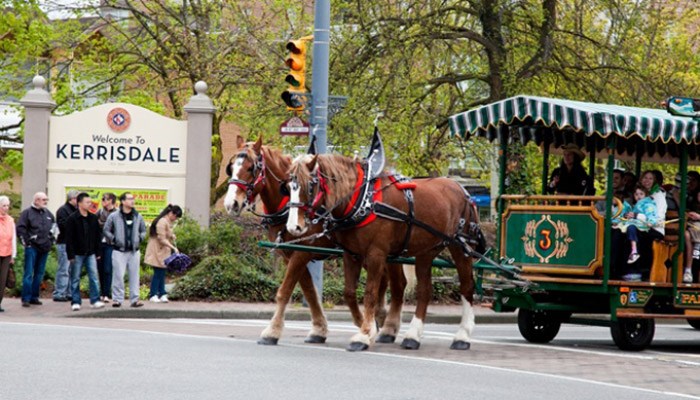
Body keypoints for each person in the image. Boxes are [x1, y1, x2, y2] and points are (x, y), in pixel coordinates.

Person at [103, 192, 146, 308]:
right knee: (118, 275)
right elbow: (106, 230)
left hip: (134, 251)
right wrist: (114, 239)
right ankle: (117, 299)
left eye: (133, 198)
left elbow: (143, 230)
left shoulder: (138, 216)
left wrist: (140, 238)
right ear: (123, 201)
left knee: (134, 276)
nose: (133, 201)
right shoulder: (114, 216)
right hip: (119, 251)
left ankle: (135, 300)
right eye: (130, 198)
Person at [65, 193, 104, 311]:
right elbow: (69, 238)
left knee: (94, 276)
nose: (90, 204)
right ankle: (76, 301)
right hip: (77, 253)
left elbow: (98, 236)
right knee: (75, 277)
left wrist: (98, 252)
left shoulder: (93, 218)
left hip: (91, 252)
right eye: (87, 202)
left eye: (90, 202)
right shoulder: (72, 219)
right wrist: (70, 254)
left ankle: (95, 300)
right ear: (79, 203)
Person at [16, 192, 56, 307]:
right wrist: (26, 242)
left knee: (39, 274)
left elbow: (54, 228)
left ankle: (34, 296)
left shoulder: (48, 214)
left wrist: (51, 240)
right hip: (32, 247)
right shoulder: (27, 213)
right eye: (44, 200)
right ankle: (26, 298)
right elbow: (21, 228)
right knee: (29, 273)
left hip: (44, 248)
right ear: (37, 200)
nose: (46, 202)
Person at [612, 185, 659, 276]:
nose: (638, 196)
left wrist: (650, 221)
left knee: (631, 228)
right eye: (636, 194)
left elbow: (651, 215)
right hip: (632, 225)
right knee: (618, 231)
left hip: (642, 227)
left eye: (641, 194)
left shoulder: (648, 204)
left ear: (646, 195)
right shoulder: (634, 205)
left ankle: (634, 251)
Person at [144, 204, 182, 303]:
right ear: (171, 213)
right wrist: (173, 247)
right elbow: (161, 239)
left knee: (162, 272)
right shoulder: (162, 221)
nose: (175, 219)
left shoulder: (166, 221)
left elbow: (167, 233)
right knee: (158, 273)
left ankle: (162, 293)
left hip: (162, 251)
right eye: (176, 216)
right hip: (157, 250)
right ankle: (153, 294)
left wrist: (172, 235)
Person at [53, 189, 79, 302]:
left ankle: (69, 292)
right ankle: (59, 292)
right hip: (64, 243)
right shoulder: (63, 210)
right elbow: (63, 226)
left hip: (74, 243)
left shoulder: (76, 210)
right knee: (64, 268)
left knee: (72, 269)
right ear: (72, 199)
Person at [96, 192, 117, 302]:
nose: (103, 200)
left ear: (111, 201)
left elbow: (115, 227)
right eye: (102, 199)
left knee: (108, 268)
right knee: (99, 268)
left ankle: (106, 293)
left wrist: (103, 225)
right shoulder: (99, 212)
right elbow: (94, 225)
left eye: (105, 199)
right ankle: (101, 292)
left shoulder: (117, 213)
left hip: (110, 244)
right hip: (100, 243)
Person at [0, 195, 17, 312]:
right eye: (3, 206)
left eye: (7, 206)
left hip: (6, 254)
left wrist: (13, 255)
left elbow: (13, 239)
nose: (6, 208)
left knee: (2, 280)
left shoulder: (10, 220)